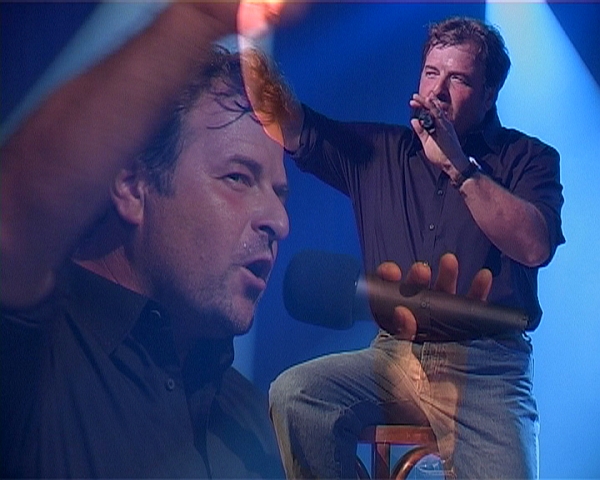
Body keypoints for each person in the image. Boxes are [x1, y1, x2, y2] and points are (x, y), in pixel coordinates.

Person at [0, 2, 294, 477]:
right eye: (239, 178)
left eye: (280, 194)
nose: (279, 221)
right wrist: (200, 18)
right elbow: (14, 217)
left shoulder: (255, 425)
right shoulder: (33, 360)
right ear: (132, 185)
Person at [267, 16, 565, 479]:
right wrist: (252, 54)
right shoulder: (380, 151)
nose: (438, 91)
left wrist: (459, 167)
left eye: (458, 79)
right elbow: (291, 126)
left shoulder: (528, 158)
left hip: (487, 369)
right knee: (297, 395)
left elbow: (534, 247)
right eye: (431, 73)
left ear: (489, 95)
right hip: (395, 357)